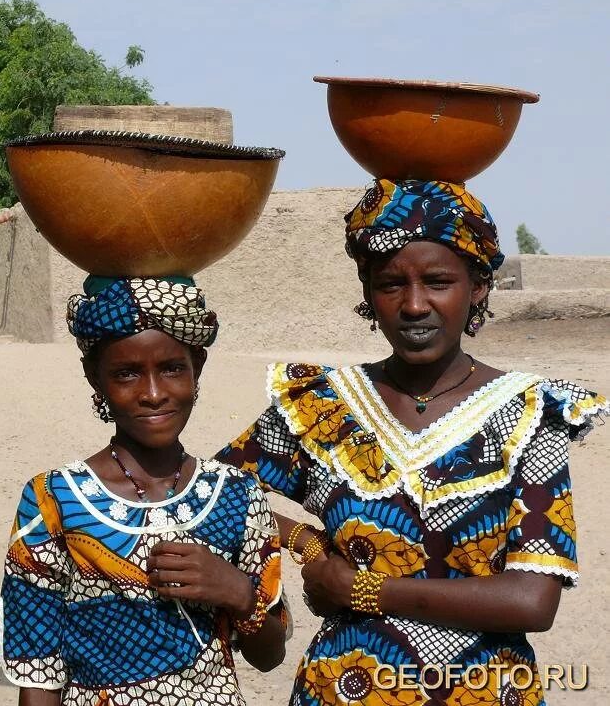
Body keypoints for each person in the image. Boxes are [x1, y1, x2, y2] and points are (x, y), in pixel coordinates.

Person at [217, 179, 608, 705]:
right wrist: (305, 543)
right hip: (342, 688)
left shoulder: (530, 415)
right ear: (367, 291)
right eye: (391, 284)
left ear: (479, 287)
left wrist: (359, 589)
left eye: (438, 281)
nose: (414, 305)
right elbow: (212, 492)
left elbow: (531, 601)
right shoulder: (324, 404)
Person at [0, 277, 290, 705]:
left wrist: (238, 592)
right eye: (127, 374)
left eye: (172, 368)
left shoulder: (237, 496)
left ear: (198, 367)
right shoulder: (54, 500)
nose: (153, 394)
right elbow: (39, 676)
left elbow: (269, 655)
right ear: (94, 377)